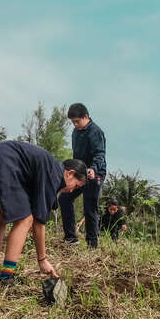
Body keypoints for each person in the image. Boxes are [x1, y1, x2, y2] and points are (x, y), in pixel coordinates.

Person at [0, 140, 87, 283]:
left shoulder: (50, 168)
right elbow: (39, 223)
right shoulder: (54, 174)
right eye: (76, 186)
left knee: (0, 218)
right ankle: (6, 276)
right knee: (26, 219)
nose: (71, 191)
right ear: (70, 173)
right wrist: (42, 259)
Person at [59, 103, 106, 248]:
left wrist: (93, 169)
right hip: (79, 172)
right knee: (64, 198)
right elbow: (76, 155)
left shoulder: (95, 132)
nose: (75, 124)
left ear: (86, 117)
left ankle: (92, 244)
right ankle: (71, 239)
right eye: (72, 122)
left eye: (77, 121)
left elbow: (100, 154)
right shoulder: (75, 132)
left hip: (94, 173)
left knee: (89, 207)